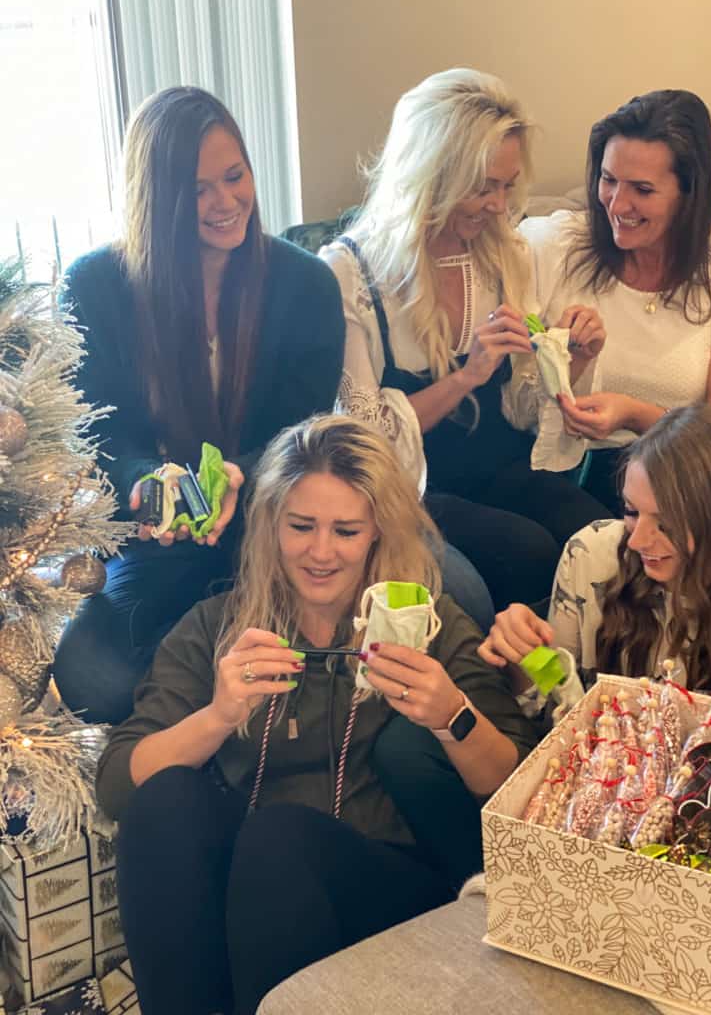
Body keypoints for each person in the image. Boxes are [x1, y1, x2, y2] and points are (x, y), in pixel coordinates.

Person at [96, 414, 538, 1015]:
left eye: (346, 531)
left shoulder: (425, 621)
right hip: (254, 872)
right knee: (170, 803)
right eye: (301, 526)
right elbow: (121, 783)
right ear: (270, 525)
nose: (321, 552)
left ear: (377, 532)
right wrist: (220, 714)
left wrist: (452, 715)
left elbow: (518, 789)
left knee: (279, 840)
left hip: (378, 875)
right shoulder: (217, 625)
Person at [52, 87, 338, 723]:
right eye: (198, 189)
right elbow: (94, 433)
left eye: (235, 176)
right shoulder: (96, 287)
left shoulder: (306, 284)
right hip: (154, 536)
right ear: (158, 201)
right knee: (92, 677)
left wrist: (242, 472)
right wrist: (143, 483)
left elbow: (306, 431)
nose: (227, 202)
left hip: (278, 520)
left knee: (451, 593)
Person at [321, 68, 612, 612]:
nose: (500, 206)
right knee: (525, 552)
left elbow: (524, 411)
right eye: (483, 187)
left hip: (503, 469)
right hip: (412, 489)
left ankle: (595, 689)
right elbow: (366, 439)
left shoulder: (507, 254)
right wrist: (466, 376)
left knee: (596, 537)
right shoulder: (352, 273)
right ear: (432, 175)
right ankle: (523, 687)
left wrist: (568, 363)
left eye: (507, 185)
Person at [520, 89, 711, 514]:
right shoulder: (552, 248)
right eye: (608, 179)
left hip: (702, 465)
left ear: (689, 194)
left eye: (643, 189)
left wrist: (636, 415)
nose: (617, 204)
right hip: (589, 470)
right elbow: (517, 407)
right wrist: (567, 360)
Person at [480, 404, 711, 708]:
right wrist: (526, 658)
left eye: (667, 523)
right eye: (631, 511)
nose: (637, 540)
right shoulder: (590, 553)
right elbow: (560, 705)